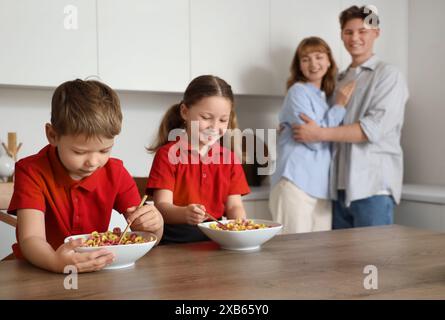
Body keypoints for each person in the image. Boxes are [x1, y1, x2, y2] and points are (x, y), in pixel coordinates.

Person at [7, 79, 164, 273]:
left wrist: (156, 225)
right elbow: (31, 239)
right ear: (52, 135)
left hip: (95, 269)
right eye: (80, 152)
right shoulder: (31, 171)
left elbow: (148, 237)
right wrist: (55, 262)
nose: (93, 162)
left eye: (105, 150)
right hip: (38, 270)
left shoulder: (115, 172)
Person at [292, 6, 409, 229]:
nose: (355, 37)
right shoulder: (338, 79)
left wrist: (318, 133)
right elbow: (322, 119)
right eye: (348, 32)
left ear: (376, 33)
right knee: (342, 263)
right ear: (341, 35)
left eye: (362, 31)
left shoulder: (388, 75)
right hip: (339, 189)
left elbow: (371, 129)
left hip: (372, 189)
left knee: (373, 261)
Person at [146, 75, 250, 244]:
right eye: (206, 117)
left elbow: (234, 206)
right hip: (175, 241)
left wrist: (240, 225)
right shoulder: (168, 155)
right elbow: (162, 207)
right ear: (185, 112)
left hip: (214, 239)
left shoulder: (229, 159)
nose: (215, 127)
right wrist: (184, 213)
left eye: (223, 120)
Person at [270, 37, 355, 234]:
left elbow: (318, 134)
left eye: (319, 57)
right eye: (306, 59)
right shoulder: (297, 92)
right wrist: (340, 106)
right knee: (293, 255)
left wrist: (321, 129)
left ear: (329, 62)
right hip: (295, 184)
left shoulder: (324, 98)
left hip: (322, 188)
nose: (313, 64)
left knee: (319, 257)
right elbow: (314, 142)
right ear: (299, 65)